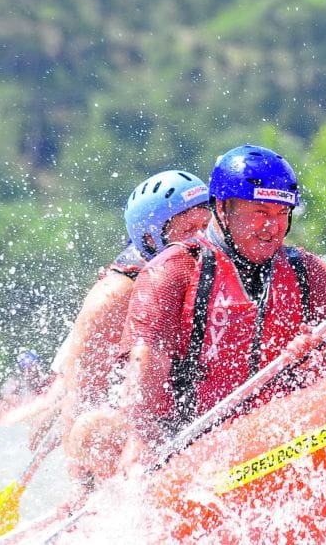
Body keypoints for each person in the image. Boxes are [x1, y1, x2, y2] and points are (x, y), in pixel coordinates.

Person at [116, 145, 326, 459]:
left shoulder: (310, 273)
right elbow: (145, 372)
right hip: (190, 444)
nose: (273, 227)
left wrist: (316, 360)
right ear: (223, 209)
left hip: (283, 436)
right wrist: (141, 442)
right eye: (260, 212)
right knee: (97, 429)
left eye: (282, 213)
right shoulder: (172, 270)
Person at [56, 171, 211, 478]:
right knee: (93, 428)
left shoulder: (216, 265)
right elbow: (81, 397)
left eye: (206, 226)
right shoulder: (114, 296)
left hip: (189, 402)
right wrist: (80, 483)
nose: (201, 239)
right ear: (152, 238)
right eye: (189, 229)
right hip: (129, 412)